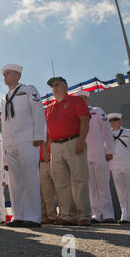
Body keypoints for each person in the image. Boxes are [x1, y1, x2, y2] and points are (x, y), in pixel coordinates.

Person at [0, 64, 46, 228]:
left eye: (8, 73)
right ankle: (18, 215)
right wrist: (4, 150)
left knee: (30, 178)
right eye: (4, 74)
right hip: (11, 143)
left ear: (18, 75)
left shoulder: (28, 89)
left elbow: (38, 111)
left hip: (27, 140)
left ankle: (33, 216)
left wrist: (39, 135)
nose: (5, 76)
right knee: (15, 181)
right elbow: (4, 124)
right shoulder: (4, 97)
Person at [44, 76, 91, 226]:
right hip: (56, 147)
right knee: (60, 182)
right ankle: (66, 215)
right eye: (52, 86)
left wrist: (81, 141)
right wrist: (46, 149)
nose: (54, 87)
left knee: (79, 180)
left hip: (74, 142)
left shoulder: (76, 101)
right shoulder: (49, 108)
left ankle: (83, 215)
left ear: (65, 86)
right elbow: (47, 131)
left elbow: (84, 120)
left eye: (57, 84)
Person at [74, 90, 115, 223]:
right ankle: (96, 214)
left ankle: (108, 214)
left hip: (99, 153)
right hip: (84, 154)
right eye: (79, 99)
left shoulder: (97, 111)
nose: (82, 100)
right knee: (91, 187)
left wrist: (109, 150)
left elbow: (107, 131)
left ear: (87, 99)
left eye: (84, 98)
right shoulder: (75, 115)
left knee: (103, 184)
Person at [108, 113, 130, 224]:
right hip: (115, 166)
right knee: (121, 191)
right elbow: (107, 153)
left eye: (116, 120)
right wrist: (109, 168)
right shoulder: (107, 135)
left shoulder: (128, 133)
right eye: (111, 121)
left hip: (129, 165)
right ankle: (125, 215)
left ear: (120, 121)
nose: (114, 123)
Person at [39, 143, 59, 224]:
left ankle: (64, 215)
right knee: (46, 192)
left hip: (54, 159)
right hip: (42, 161)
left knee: (60, 191)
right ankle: (51, 216)